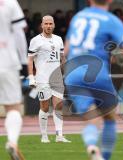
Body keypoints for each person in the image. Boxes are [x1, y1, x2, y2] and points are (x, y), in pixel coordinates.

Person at [64, 0, 123, 159]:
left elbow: (66, 49)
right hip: (96, 72)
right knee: (109, 116)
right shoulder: (112, 21)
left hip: (73, 73)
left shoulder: (78, 17)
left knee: (90, 117)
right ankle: (104, 156)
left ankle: (92, 146)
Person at [28, 15, 71, 143]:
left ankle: (59, 135)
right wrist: (31, 77)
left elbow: (62, 58)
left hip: (57, 78)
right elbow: (30, 59)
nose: (48, 26)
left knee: (58, 106)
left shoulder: (58, 40)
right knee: (45, 107)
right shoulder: (35, 40)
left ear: (54, 25)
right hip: (42, 79)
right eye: (46, 24)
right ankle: (44, 135)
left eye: (50, 24)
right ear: (42, 25)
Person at [0, 0, 27, 159]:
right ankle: (12, 141)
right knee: (13, 108)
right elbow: (19, 33)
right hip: (7, 61)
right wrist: (23, 62)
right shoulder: (10, 2)